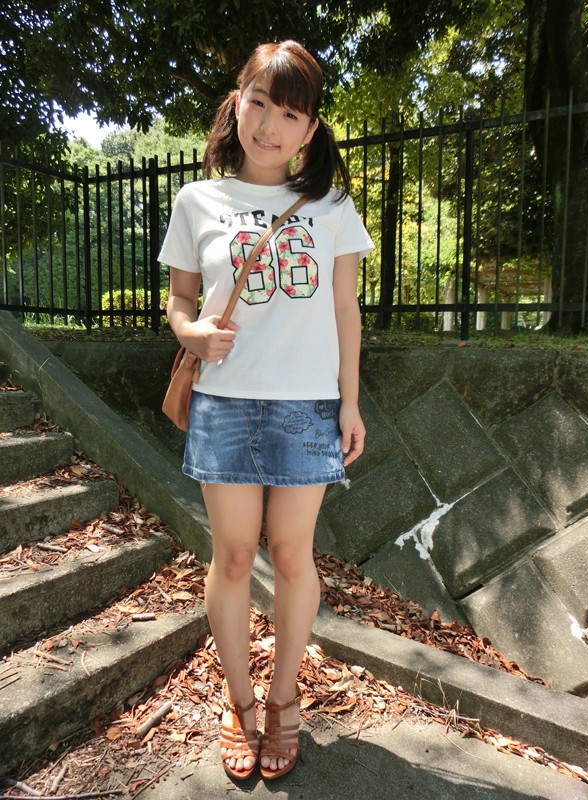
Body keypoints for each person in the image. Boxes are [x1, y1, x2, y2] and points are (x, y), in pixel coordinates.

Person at [159, 39, 374, 782]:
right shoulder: (198, 200)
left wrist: (349, 402)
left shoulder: (332, 207)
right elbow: (179, 299)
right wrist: (190, 333)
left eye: (290, 114)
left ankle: (284, 702)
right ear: (237, 103)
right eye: (259, 103)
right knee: (232, 557)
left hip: (306, 407)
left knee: (291, 556)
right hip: (223, 407)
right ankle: (240, 701)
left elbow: (344, 310)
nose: (270, 125)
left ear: (309, 129)